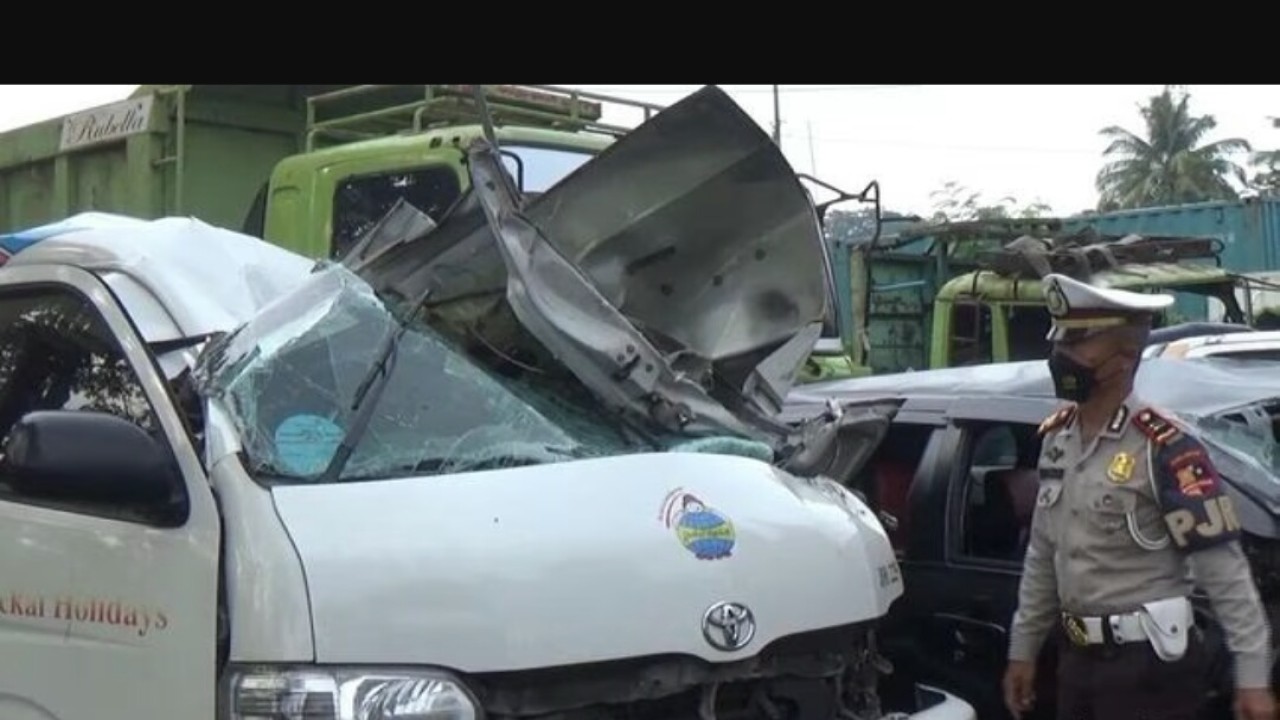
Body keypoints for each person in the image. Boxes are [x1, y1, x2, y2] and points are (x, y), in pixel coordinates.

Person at [1002, 272, 1278, 720]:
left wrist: (1252, 677)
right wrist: (1024, 648)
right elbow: (1042, 555)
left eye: (1077, 343)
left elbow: (1222, 567)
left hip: (1148, 670)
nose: (1061, 357)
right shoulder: (1057, 439)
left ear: (1124, 356)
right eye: (1059, 342)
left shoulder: (1166, 447)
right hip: (1076, 663)